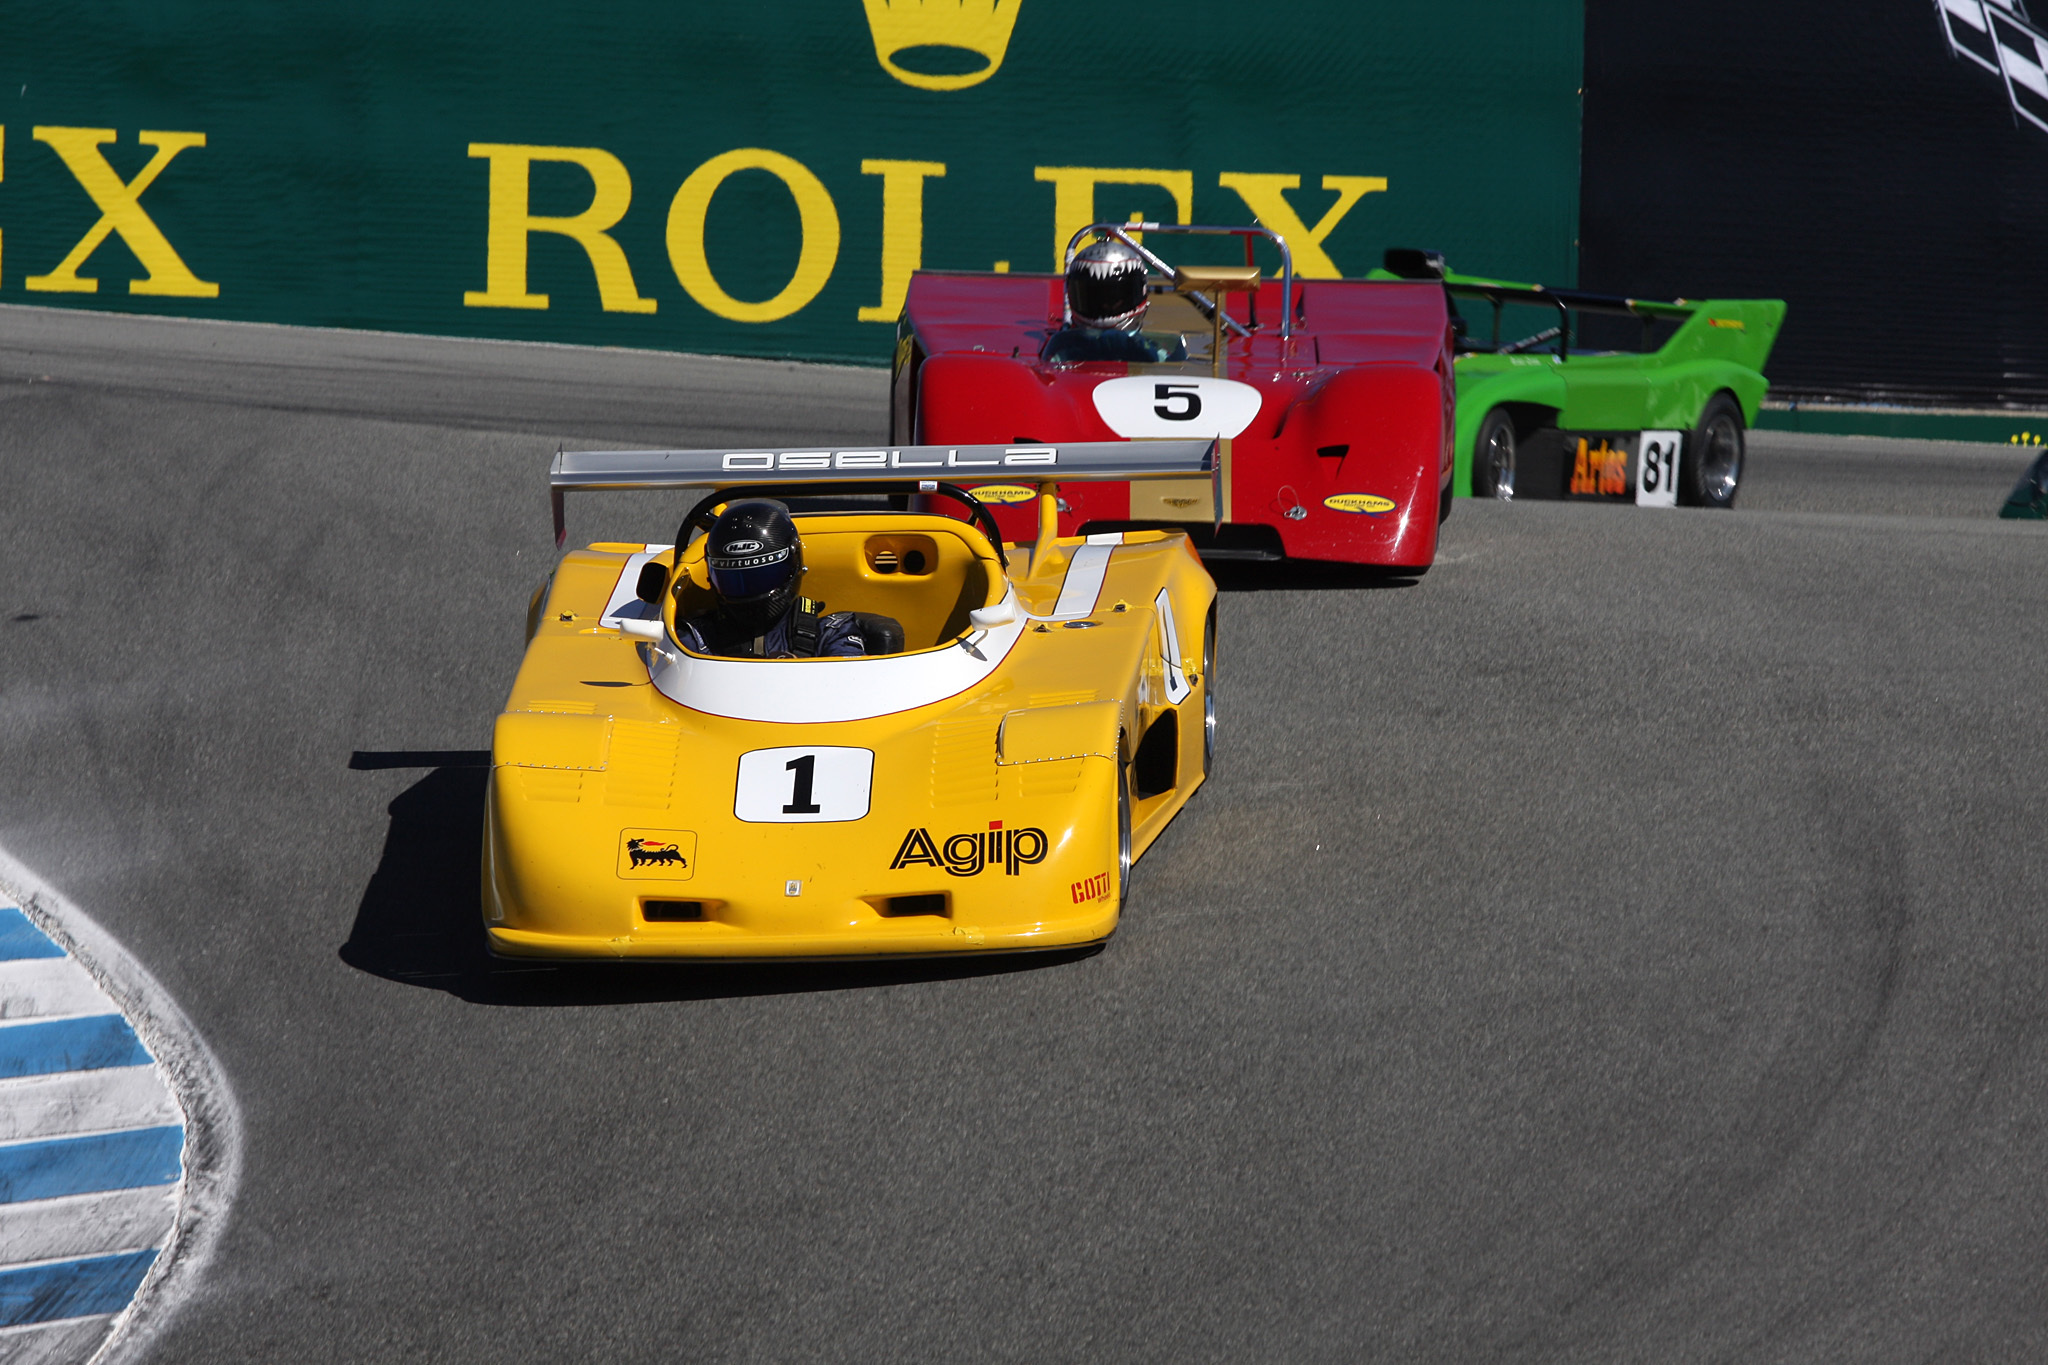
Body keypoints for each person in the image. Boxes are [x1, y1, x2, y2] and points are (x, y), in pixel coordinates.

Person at [677, 499, 877, 657]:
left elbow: (849, 686)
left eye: (761, 576)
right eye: (735, 580)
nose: (750, 590)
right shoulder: (696, 638)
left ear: (794, 566)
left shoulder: (833, 632)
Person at [1041, 237, 1187, 365]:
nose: (1105, 304)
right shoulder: (1061, 352)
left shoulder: (1162, 354)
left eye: (1115, 297)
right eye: (1095, 296)